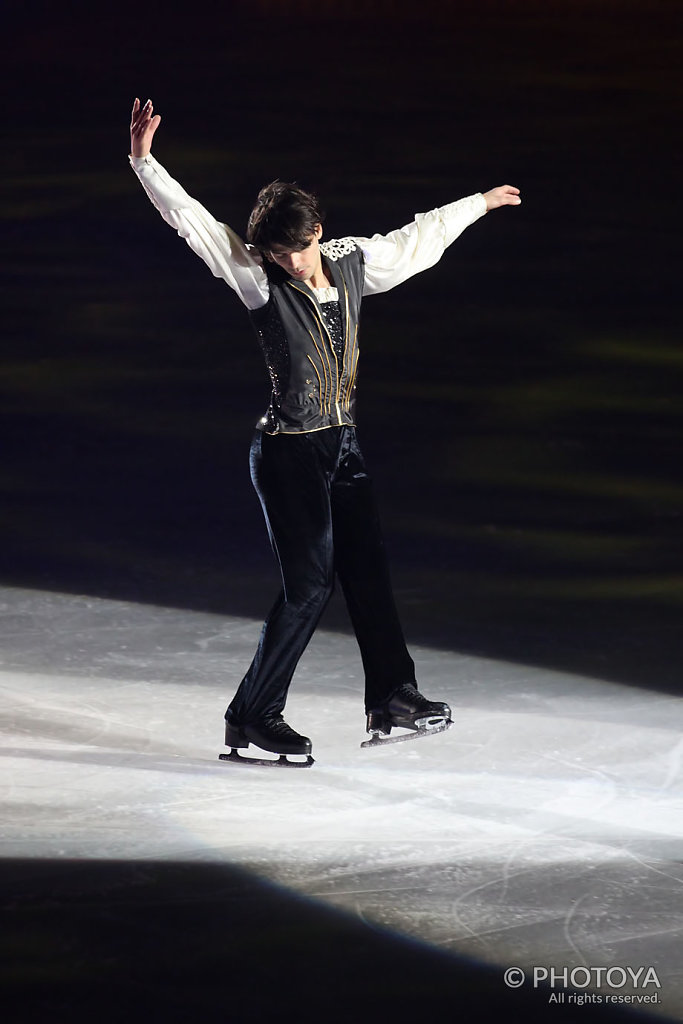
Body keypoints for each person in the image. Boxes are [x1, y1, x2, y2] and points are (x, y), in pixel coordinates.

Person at [129, 97, 521, 764]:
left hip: (342, 446)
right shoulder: (255, 277)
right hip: (287, 453)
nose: (291, 264)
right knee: (309, 586)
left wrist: (476, 203)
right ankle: (252, 713)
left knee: (366, 570)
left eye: (297, 250)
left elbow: (415, 241)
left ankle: (393, 696)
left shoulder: (349, 260)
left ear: (318, 233)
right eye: (278, 254)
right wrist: (144, 162)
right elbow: (194, 224)